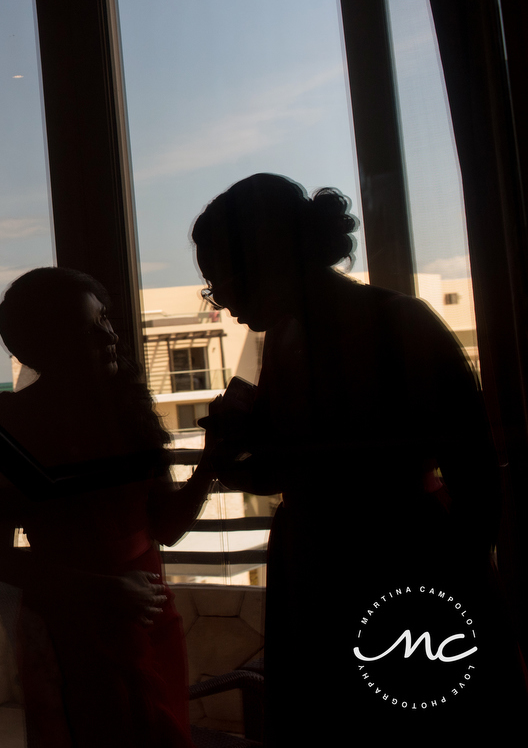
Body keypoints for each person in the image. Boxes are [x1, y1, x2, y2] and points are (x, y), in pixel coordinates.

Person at [191, 173, 526, 746]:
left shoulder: (396, 324)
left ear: (268, 259)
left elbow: (475, 470)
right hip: (348, 560)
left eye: (224, 283)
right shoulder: (310, 333)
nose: (225, 305)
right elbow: (286, 467)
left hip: (389, 559)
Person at [0, 267, 216, 747]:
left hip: (149, 616)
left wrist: (212, 463)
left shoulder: (127, 408)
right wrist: (103, 590)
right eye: (88, 328)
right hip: (73, 624)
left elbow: (164, 527)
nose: (109, 334)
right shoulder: (10, 421)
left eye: (104, 319)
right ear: (45, 345)